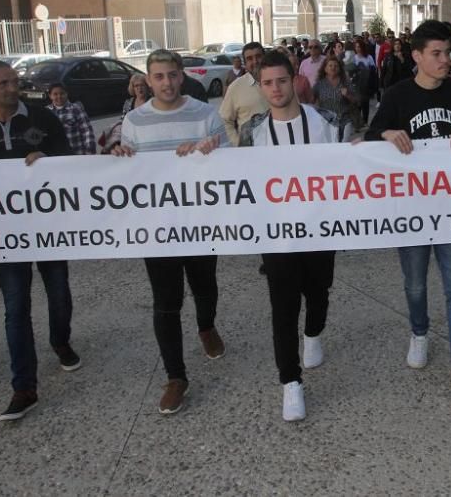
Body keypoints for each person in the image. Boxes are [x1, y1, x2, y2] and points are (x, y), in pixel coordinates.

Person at [365, 20, 451, 405]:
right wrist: (386, 134)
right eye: (437, 54)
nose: (446, 60)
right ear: (418, 57)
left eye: (448, 52)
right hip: (410, 212)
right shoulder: (396, 95)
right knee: (415, 284)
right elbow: (369, 139)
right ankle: (419, 331)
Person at [113, 49, 228, 415]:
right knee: (166, 303)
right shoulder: (133, 120)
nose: (166, 82)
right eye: (158, 76)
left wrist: (210, 149)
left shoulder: (204, 113)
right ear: (147, 80)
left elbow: (230, 161)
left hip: (199, 224)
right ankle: (176, 376)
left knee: (205, 286)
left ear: (182, 76)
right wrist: (120, 157)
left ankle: (206, 326)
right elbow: (130, 171)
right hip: (157, 229)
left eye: (172, 75)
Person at [0, 59, 81, 422]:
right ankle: (24, 387)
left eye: (14, 81)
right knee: (15, 308)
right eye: (3, 83)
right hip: (7, 235)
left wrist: (48, 158)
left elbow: (69, 159)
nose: (12, 88)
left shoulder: (42, 119)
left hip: (47, 229)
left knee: (59, 292)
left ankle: (60, 340)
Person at [240, 52, 339, 422]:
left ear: (294, 79)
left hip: (319, 228)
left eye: (281, 80)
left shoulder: (325, 122)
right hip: (276, 235)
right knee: (282, 307)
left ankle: (314, 333)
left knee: (318, 292)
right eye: (267, 83)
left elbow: (346, 168)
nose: (275, 89)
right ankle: (290, 382)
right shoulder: (254, 132)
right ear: (260, 85)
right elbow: (236, 178)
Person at [218, 42, 269, 146]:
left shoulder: (278, 82)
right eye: (250, 58)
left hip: (279, 148)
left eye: (258, 56)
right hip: (250, 152)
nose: (255, 61)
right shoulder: (235, 87)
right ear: (245, 64)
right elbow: (224, 120)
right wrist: (238, 143)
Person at [313, 56, 359, 142]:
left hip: (345, 121)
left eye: (336, 66)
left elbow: (356, 100)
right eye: (330, 65)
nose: (333, 68)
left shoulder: (345, 82)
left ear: (339, 69)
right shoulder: (319, 84)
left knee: (343, 145)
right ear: (325, 68)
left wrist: (347, 95)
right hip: (327, 122)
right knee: (331, 146)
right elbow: (311, 101)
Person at [45, 83, 96, 155]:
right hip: (56, 155)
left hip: (76, 153)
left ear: (67, 94)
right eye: (55, 94)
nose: (59, 96)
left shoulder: (76, 108)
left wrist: (89, 150)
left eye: (62, 93)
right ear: (50, 96)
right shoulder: (46, 111)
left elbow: (87, 130)